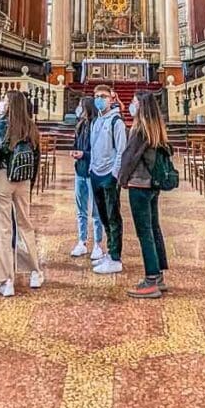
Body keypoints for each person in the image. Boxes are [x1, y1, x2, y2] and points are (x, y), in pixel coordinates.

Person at [0, 90, 43, 298]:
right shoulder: (31, 127)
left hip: (3, 178)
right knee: (25, 225)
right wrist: (29, 184)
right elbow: (36, 158)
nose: (1, 104)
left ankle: (7, 281)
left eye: (4, 101)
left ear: (9, 106)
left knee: (3, 229)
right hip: (23, 180)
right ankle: (35, 272)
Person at [119, 91, 171, 299]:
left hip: (139, 185)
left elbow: (129, 158)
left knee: (145, 232)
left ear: (141, 106)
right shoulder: (156, 128)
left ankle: (151, 279)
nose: (131, 104)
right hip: (153, 185)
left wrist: (122, 179)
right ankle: (158, 275)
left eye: (133, 102)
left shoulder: (139, 129)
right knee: (154, 227)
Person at [89, 84, 127, 275]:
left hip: (109, 176)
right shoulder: (95, 121)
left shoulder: (116, 122)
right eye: (96, 96)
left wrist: (114, 174)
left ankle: (115, 257)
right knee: (103, 215)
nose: (99, 99)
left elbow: (121, 150)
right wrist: (91, 169)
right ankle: (110, 251)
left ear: (112, 99)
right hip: (95, 174)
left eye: (103, 96)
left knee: (113, 216)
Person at [70, 97, 104, 260]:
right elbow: (76, 144)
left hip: (93, 172)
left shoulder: (98, 125)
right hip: (80, 171)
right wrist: (75, 152)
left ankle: (98, 244)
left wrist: (84, 154)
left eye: (80, 105)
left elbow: (100, 151)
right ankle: (81, 241)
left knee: (96, 211)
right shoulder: (80, 125)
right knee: (81, 209)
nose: (78, 108)